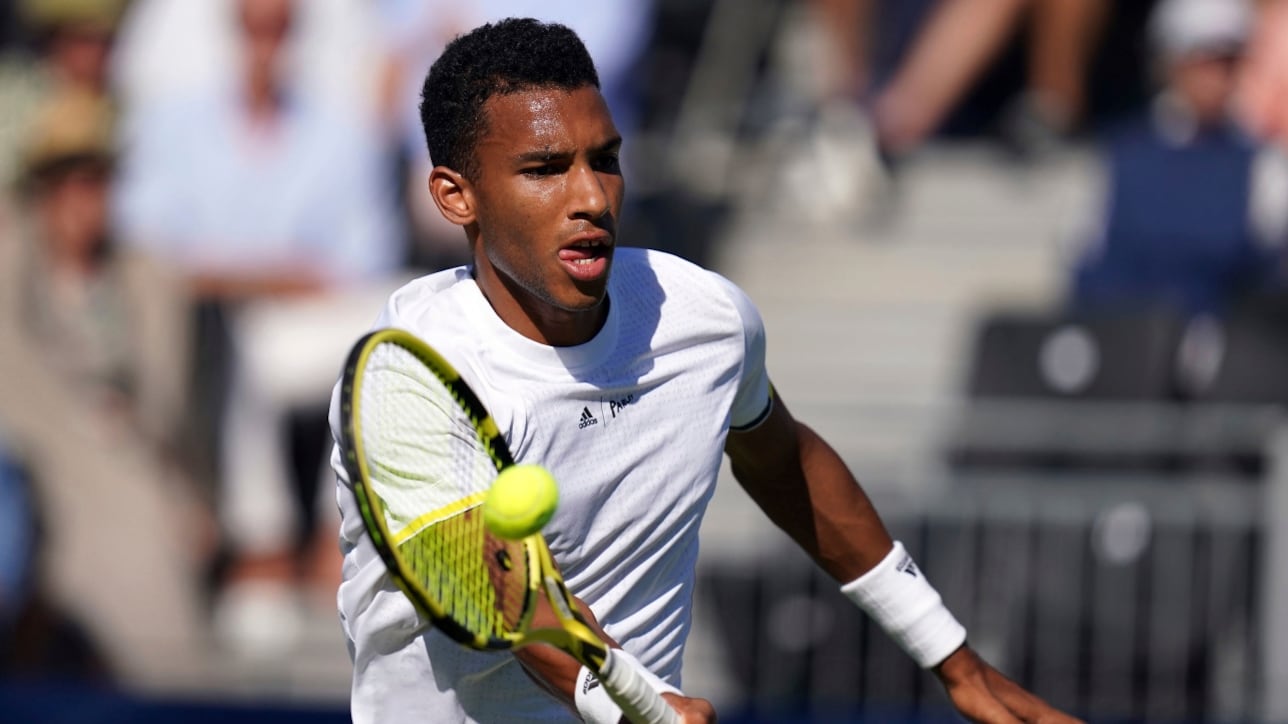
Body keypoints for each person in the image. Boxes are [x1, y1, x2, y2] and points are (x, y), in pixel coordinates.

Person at [329, 18, 1082, 724]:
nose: (591, 197)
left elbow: (785, 463)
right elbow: (509, 598)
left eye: (605, 160)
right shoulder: (407, 375)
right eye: (545, 169)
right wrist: (641, 704)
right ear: (456, 196)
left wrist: (953, 659)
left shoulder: (705, 321)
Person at [1069, 0, 1287, 319]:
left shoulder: (1261, 164)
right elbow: (1088, 267)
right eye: (1205, 61)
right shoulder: (1120, 156)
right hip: (1129, 340)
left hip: (1224, 343)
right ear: (1172, 64)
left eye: (1229, 62)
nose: (1218, 77)